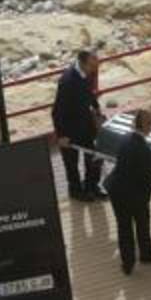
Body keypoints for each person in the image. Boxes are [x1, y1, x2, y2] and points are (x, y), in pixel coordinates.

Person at [104, 109, 151, 275]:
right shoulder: (142, 149)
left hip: (117, 189)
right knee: (141, 223)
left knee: (124, 227)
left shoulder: (126, 138)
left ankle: (128, 264)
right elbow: (146, 174)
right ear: (146, 126)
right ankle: (146, 254)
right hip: (133, 193)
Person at [52, 49, 107, 202]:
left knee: (96, 155)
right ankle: (75, 191)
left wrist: (96, 108)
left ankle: (92, 186)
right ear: (82, 64)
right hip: (69, 128)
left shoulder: (87, 72)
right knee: (71, 162)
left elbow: (89, 93)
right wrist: (61, 135)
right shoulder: (67, 82)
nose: (95, 68)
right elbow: (57, 111)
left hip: (86, 123)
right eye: (92, 65)